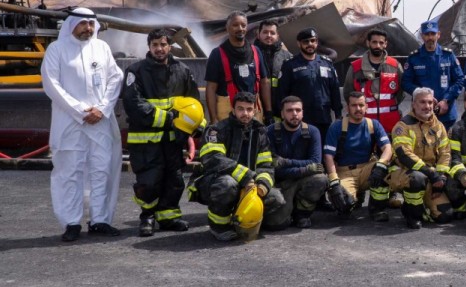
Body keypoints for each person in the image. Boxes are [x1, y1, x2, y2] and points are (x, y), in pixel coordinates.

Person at [41, 8, 124, 241]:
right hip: (69, 123)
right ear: (71, 25)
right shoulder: (56, 50)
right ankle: (71, 222)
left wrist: (103, 108)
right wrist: (80, 110)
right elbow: (51, 84)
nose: (88, 28)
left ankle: (100, 220)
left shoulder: (102, 48)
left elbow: (115, 78)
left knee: (102, 170)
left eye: (91, 24)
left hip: (100, 121)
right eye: (83, 24)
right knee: (70, 171)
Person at [122, 28, 203, 236]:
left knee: (174, 180)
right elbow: (133, 104)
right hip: (146, 141)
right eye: (155, 45)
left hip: (174, 141)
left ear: (170, 46)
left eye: (163, 44)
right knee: (149, 181)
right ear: (149, 47)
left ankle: (169, 217)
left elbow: (194, 103)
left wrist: (197, 128)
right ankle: (147, 217)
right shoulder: (136, 71)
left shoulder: (182, 70)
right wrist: (169, 119)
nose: (159, 49)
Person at [192, 91, 283, 242]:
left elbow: (265, 165)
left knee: (276, 198)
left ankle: (244, 220)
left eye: (249, 109)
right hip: (214, 182)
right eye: (240, 109)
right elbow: (213, 159)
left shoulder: (260, 132)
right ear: (233, 110)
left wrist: (262, 185)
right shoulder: (217, 130)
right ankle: (219, 226)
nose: (245, 113)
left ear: (255, 110)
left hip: (250, 185)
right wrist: (246, 176)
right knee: (228, 184)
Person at [388, 86, 455, 228]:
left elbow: (445, 153)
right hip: (404, 172)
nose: (427, 106)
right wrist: (432, 174)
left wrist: (441, 177)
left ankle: (422, 205)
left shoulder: (439, 126)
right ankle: (411, 213)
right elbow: (405, 156)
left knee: (445, 215)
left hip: (430, 176)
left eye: (430, 103)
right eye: (422, 102)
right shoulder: (403, 126)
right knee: (417, 178)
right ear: (413, 104)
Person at [322, 90, 394, 222]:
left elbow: (388, 148)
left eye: (361, 105)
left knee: (385, 170)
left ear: (366, 106)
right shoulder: (336, 127)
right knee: (342, 204)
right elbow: (328, 156)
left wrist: (381, 164)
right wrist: (333, 181)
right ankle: (355, 197)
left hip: (367, 169)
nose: (358, 109)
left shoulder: (373, 125)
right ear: (347, 107)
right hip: (345, 172)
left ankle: (377, 210)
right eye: (354, 105)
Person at [265, 96, 328, 229]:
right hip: (279, 183)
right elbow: (273, 168)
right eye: (289, 110)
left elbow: (315, 163)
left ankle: (302, 214)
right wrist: (305, 169)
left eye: (298, 110)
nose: (294, 114)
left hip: (302, 181)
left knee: (320, 179)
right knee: (276, 224)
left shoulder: (313, 131)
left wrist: (285, 162)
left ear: (302, 112)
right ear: (282, 113)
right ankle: (287, 211)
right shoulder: (270, 132)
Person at [205, 12, 271, 124]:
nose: (240, 28)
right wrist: (213, 118)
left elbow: (264, 83)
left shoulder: (256, 51)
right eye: (235, 25)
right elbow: (211, 88)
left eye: (243, 25)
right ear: (227, 27)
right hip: (227, 110)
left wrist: (269, 112)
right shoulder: (217, 54)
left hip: (253, 109)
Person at [402, 20, 465, 128]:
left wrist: (446, 100)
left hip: (446, 115)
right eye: (427, 34)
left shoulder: (448, 55)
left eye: (433, 34)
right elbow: (405, 82)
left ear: (438, 35)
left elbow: (460, 79)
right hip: (421, 115)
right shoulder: (414, 58)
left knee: (446, 144)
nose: (430, 37)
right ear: (422, 36)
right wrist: (423, 95)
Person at [277, 28, 342, 130]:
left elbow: (335, 91)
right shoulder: (290, 65)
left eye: (313, 41)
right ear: (299, 44)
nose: (310, 44)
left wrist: (338, 115)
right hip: (299, 119)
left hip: (323, 117)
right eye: (306, 41)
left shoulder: (327, 63)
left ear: (317, 42)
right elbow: (282, 93)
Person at [343, 28, 405, 135]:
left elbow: (401, 93)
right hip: (364, 125)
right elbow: (348, 93)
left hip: (391, 125)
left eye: (381, 42)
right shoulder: (355, 67)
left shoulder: (395, 66)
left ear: (385, 44)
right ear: (368, 43)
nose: (378, 46)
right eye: (374, 42)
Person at [254, 19, 291, 118]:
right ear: (258, 34)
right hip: (256, 108)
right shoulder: (251, 55)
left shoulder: (288, 57)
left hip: (281, 109)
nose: (269, 35)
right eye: (265, 32)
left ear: (278, 36)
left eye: (272, 33)